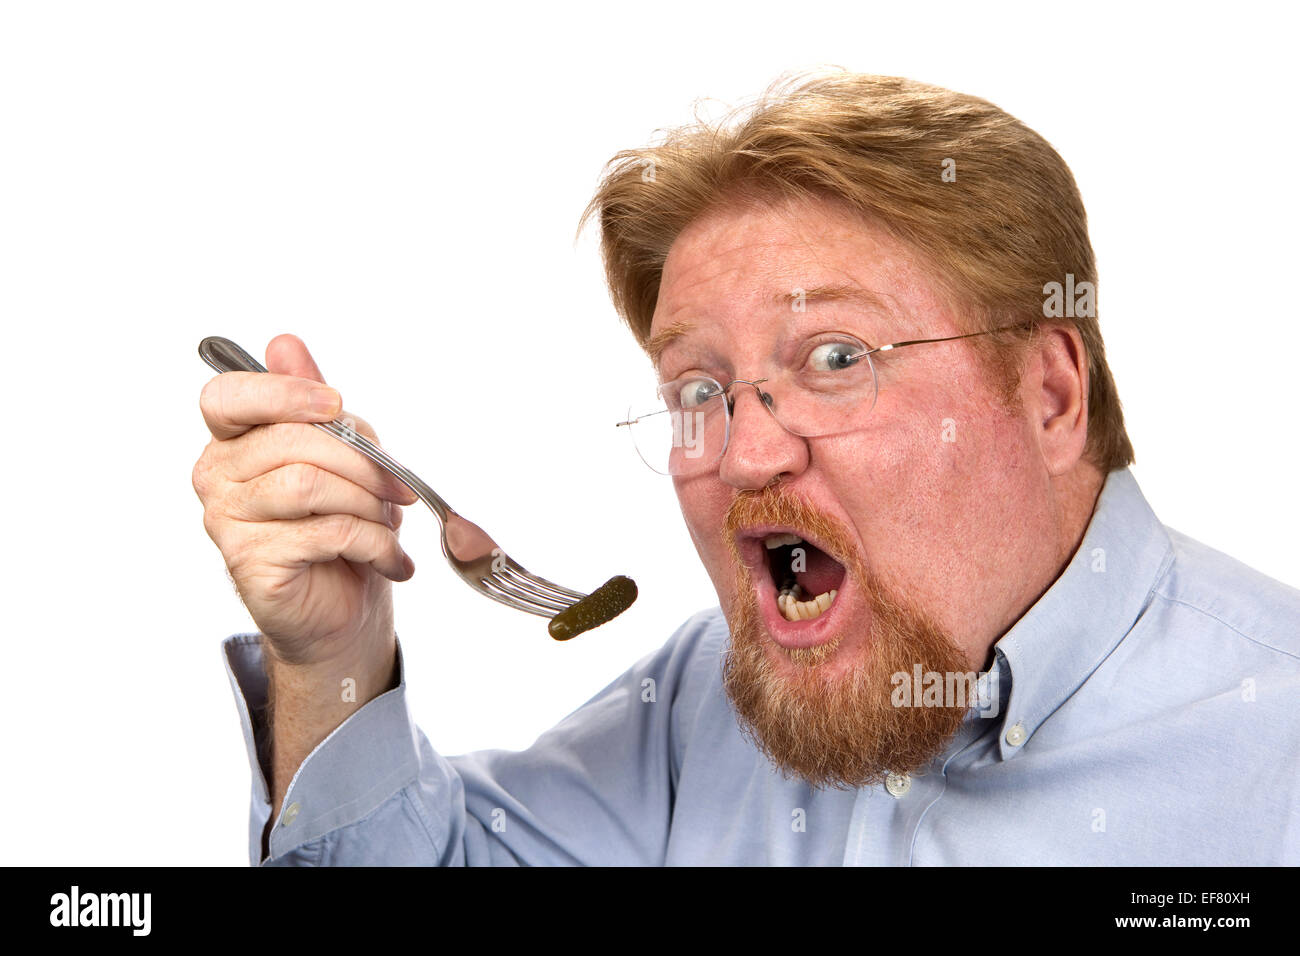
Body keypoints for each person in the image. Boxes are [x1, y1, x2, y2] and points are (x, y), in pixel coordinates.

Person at [193, 72, 1300, 865]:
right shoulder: (700, 705)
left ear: (1050, 394)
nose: (749, 450)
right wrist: (333, 657)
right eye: (698, 390)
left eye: (834, 358)